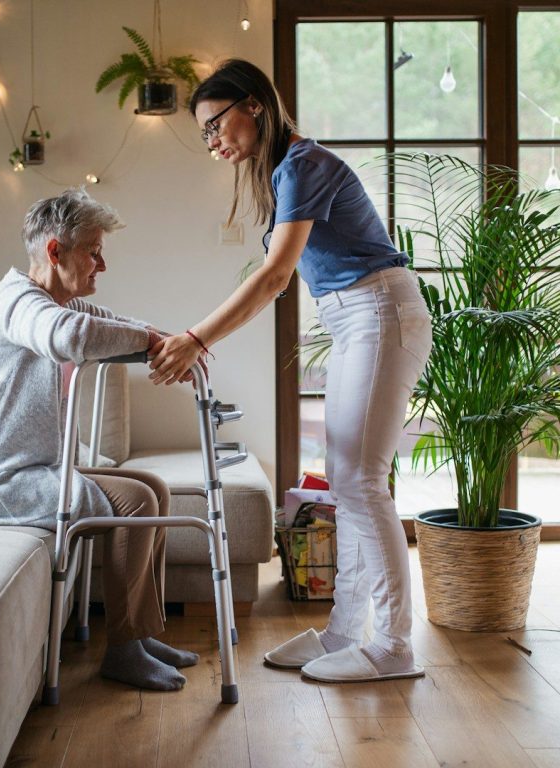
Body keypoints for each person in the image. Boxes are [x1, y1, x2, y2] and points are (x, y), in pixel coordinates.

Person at [148, 59, 432, 683]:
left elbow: (277, 276)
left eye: (215, 124)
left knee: (360, 481)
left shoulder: (302, 163)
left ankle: (392, 647)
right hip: (360, 317)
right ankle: (341, 633)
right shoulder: (284, 170)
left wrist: (196, 337)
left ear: (253, 104)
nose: (214, 142)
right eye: (204, 135)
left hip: (380, 312)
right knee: (348, 479)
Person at [0, 188, 198, 691]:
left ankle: (138, 635)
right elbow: (69, 336)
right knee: (137, 502)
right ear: (56, 251)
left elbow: (105, 322)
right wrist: (152, 343)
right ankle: (122, 651)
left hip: (27, 469)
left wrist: (164, 339)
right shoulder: (19, 303)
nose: (102, 263)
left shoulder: (46, 300)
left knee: (153, 489)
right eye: (93, 251)